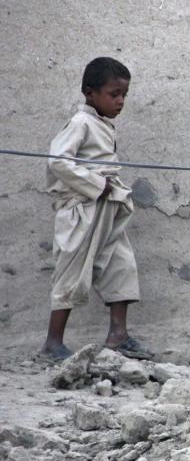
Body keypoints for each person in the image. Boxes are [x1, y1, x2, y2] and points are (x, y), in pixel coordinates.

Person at [39, 57, 151, 363]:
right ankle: (52, 343)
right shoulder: (80, 123)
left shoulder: (102, 123)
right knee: (72, 271)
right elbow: (58, 161)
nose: (120, 101)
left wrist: (107, 190)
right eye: (114, 94)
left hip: (107, 207)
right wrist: (95, 184)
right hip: (83, 210)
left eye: (124, 95)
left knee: (121, 265)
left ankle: (118, 335)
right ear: (90, 93)